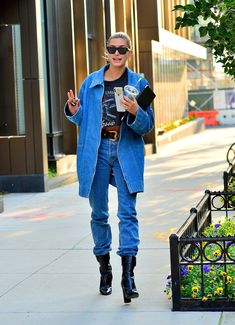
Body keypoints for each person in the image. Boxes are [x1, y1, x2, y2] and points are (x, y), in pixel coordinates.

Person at [65, 31, 154, 303]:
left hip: (125, 150)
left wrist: (137, 112)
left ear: (129, 52)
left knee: (128, 213)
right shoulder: (91, 82)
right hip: (97, 152)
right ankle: (105, 269)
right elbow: (83, 120)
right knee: (99, 213)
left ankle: (128, 277)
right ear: (106, 51)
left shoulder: (139, 83)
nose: (117, 53)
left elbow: (147, 126)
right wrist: (73, 109)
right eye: (112, 48)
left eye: (122, 49)